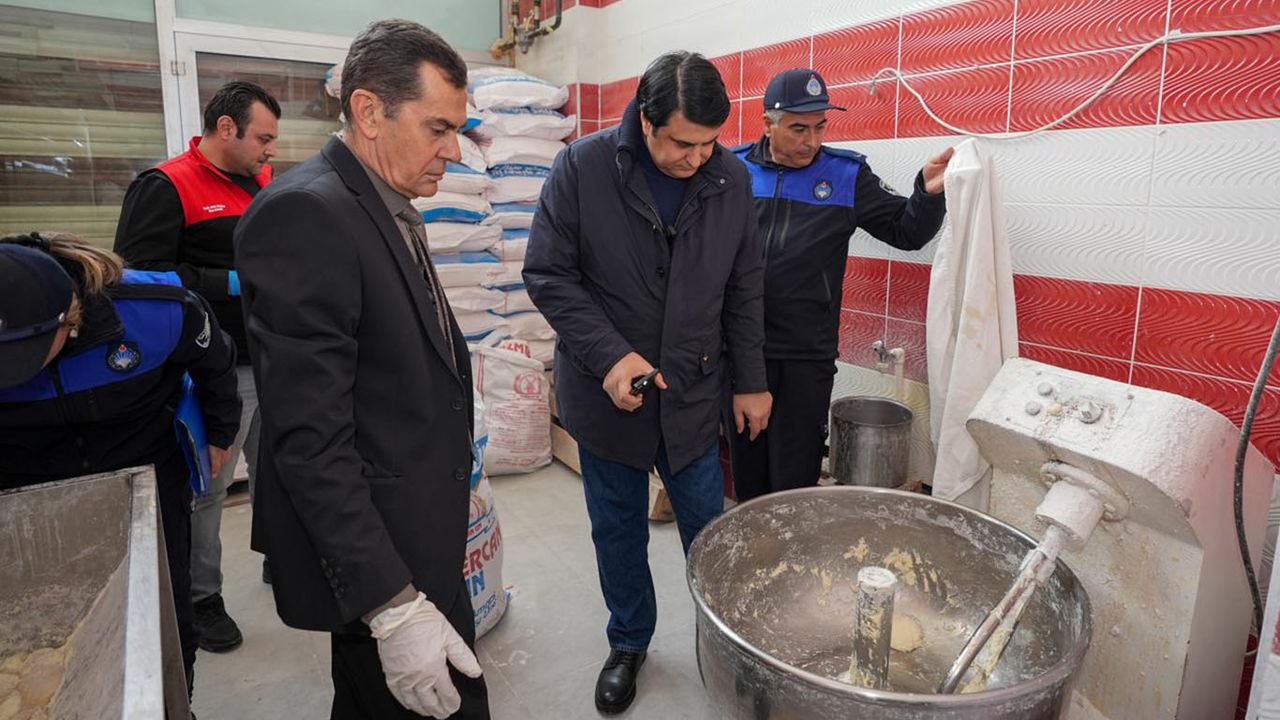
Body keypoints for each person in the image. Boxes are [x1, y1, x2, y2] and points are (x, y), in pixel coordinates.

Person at [233, 19, 488, 720]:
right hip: (382, 556)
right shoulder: (306, 216)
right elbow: (310, 440)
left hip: (415, 526)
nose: (453, 150)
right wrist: (392, 606)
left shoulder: (380, 200)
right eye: (438, 128)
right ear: (370, 112)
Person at [524, 51, 771, 714]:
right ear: (645, 121)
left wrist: (751, 380)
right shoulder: (583, 168)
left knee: (708, 529)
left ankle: (730, 644)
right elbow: (548, 273)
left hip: (693, 388)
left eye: (709, 143)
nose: (698, 158)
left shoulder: (730, 179)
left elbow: (745, 286)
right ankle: (629, 641)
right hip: (608, 394)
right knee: (618, 528)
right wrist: (610, 357)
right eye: (683, 144)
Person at [0, 232, 241, 698]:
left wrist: (220, 433)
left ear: (70, 319)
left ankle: (176, 699)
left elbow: (215, 363)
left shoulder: (158, 310)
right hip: (26, 490)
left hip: (146, 475)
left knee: (165, 610)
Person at [727, 68, 952, 501]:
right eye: (798, 129)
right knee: (748, 472)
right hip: (739, 350)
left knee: (795, 479)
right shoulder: (733, 171)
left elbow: (906, 231)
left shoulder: (845, 175)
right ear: (768, 124)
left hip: (805, 356)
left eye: (820, 127)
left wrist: (927, 193)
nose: (811, 141)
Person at [114, 80, 281, 651]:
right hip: (213, 367)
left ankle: (280, 558)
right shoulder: (165, 185)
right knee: (208, 485)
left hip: (271, 354)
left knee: (278, 467)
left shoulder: (259, 181)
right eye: (263, 138)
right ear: (226, 128)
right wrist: (227, 282)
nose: (271, 151)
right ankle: (201, 598)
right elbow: (135, 276)